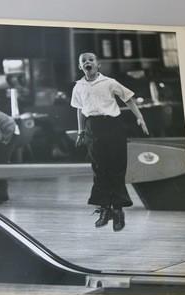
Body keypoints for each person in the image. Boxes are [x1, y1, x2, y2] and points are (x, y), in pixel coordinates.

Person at [71, 52, 149, 232]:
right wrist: (81, 131)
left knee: (115, 167)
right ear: (80, 67)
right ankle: (105, 209)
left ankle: (118, 210)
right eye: (84, 61)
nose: (88, 62)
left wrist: (140, 117)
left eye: (91, 60)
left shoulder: (109, 82)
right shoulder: (78, 87)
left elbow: (128, 98)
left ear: (98, 65)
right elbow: (80, 110)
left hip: (113, 126)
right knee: (99, 168)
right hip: (93, 128)